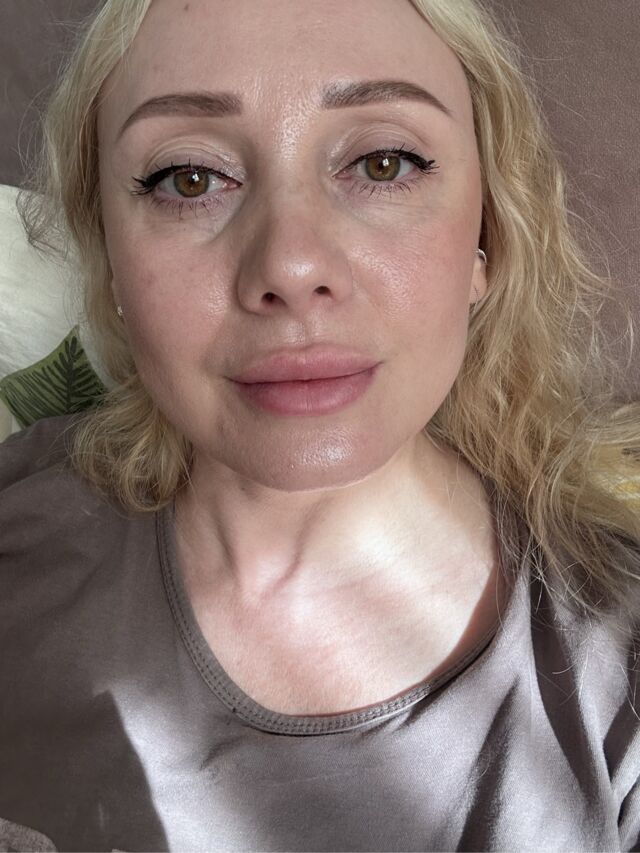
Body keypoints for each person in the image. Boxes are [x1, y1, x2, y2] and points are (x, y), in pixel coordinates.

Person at [1, 0, 640, 850]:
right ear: (110, 260)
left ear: (484, 240)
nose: (292, 264)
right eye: (189, 178)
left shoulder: (620, 676)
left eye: (383, 162)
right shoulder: (18, 530)